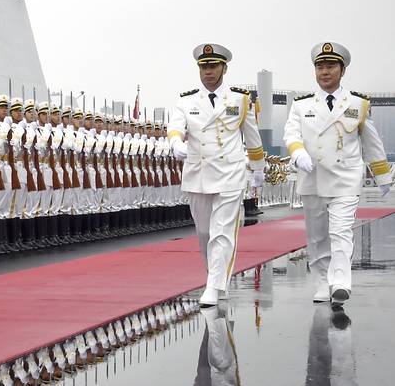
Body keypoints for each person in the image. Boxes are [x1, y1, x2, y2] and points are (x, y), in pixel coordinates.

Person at [283, 42, 392, 305]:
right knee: (318, 236)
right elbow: (291, 133)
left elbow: (371, 142)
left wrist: (383, 176)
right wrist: (298, 153)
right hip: (313, 177)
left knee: (341, 231)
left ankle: (341, 282)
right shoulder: (301, 105)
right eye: (320, 67)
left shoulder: (358, 104)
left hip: (345, 179)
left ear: (342, 70)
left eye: (330, 66)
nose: (325, 71)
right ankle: (322, 280)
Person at [168, 43, 265, 307]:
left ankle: (213, 285)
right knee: (204, 234)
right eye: (204, 67)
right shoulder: (187, 101)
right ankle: (216, 277)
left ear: (224, 67)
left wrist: (257, 169)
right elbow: (175, 127)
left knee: (221, 232)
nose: (208, 72)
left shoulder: (239, 99)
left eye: (213, 66)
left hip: (229, 173)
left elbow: (252, 138)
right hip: (198, 174)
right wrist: (176, 143)